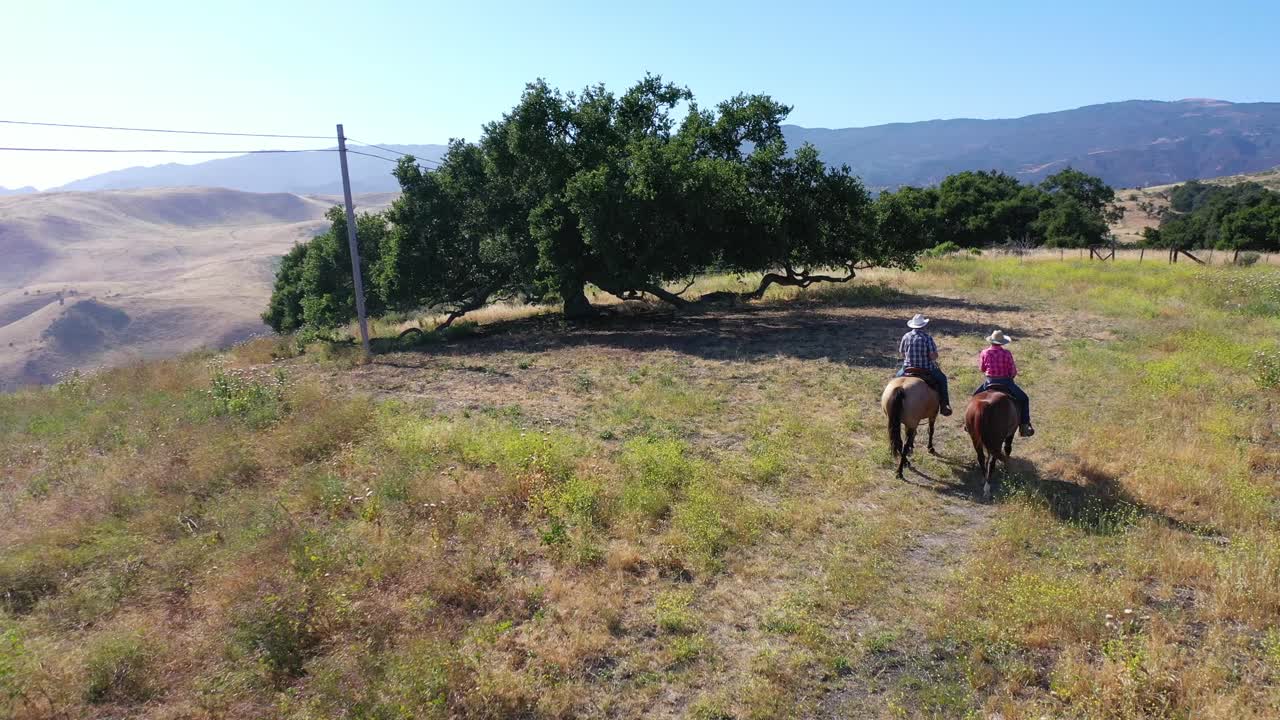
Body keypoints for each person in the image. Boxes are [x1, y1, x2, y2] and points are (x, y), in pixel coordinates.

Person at [974, 330, 1034, 437]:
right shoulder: (1006, 353)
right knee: (1024, 399)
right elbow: (1013, 371)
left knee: (974, 397)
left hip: (989, 382)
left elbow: (982, 369)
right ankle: (1024, 425)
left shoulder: (984, 352)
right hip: (1006, 382)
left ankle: (969, 423)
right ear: (1002, 343)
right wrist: (1010, 376)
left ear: (991, 341)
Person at [896, 313, 951, 416]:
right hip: (926, 369)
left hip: (908, 368)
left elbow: (902, 353)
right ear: (923, 326)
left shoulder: (906, 336)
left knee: (896, 379)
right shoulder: (927, 338)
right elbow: (933, 356)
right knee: (942, 379)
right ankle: (944, 405)